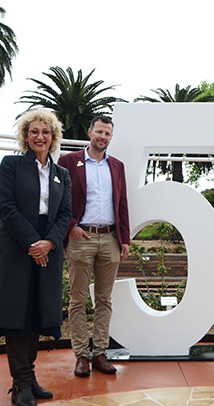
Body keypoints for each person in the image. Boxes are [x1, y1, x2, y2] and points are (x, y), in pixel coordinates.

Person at [0, 109, 72, 406]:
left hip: (48, 250)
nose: (40, 137)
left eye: (46, 132)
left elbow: (65, 214)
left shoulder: (62, 175)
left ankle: (29, 377)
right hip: (17, 248)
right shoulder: (12, 165)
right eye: (34, 131)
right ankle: (19, 383)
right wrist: (34, 243)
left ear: (53, 137)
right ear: (26, 135)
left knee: (37, 313)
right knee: (16, 314)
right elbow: (5, 207)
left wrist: (49, 242)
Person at [58, 115, 130, 378]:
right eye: (99, 131)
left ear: (111, 137)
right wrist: (70, 227)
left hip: (110, 239)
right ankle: (81, 356)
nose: (103, 137)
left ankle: (100, 353)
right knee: (77, 300)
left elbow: (122, 203)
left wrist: (124, 238)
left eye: (107, 133)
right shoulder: (68, 162)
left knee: (104, 300)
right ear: (89, 132)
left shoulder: (117, 166)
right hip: (81, 239)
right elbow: (60, 200)